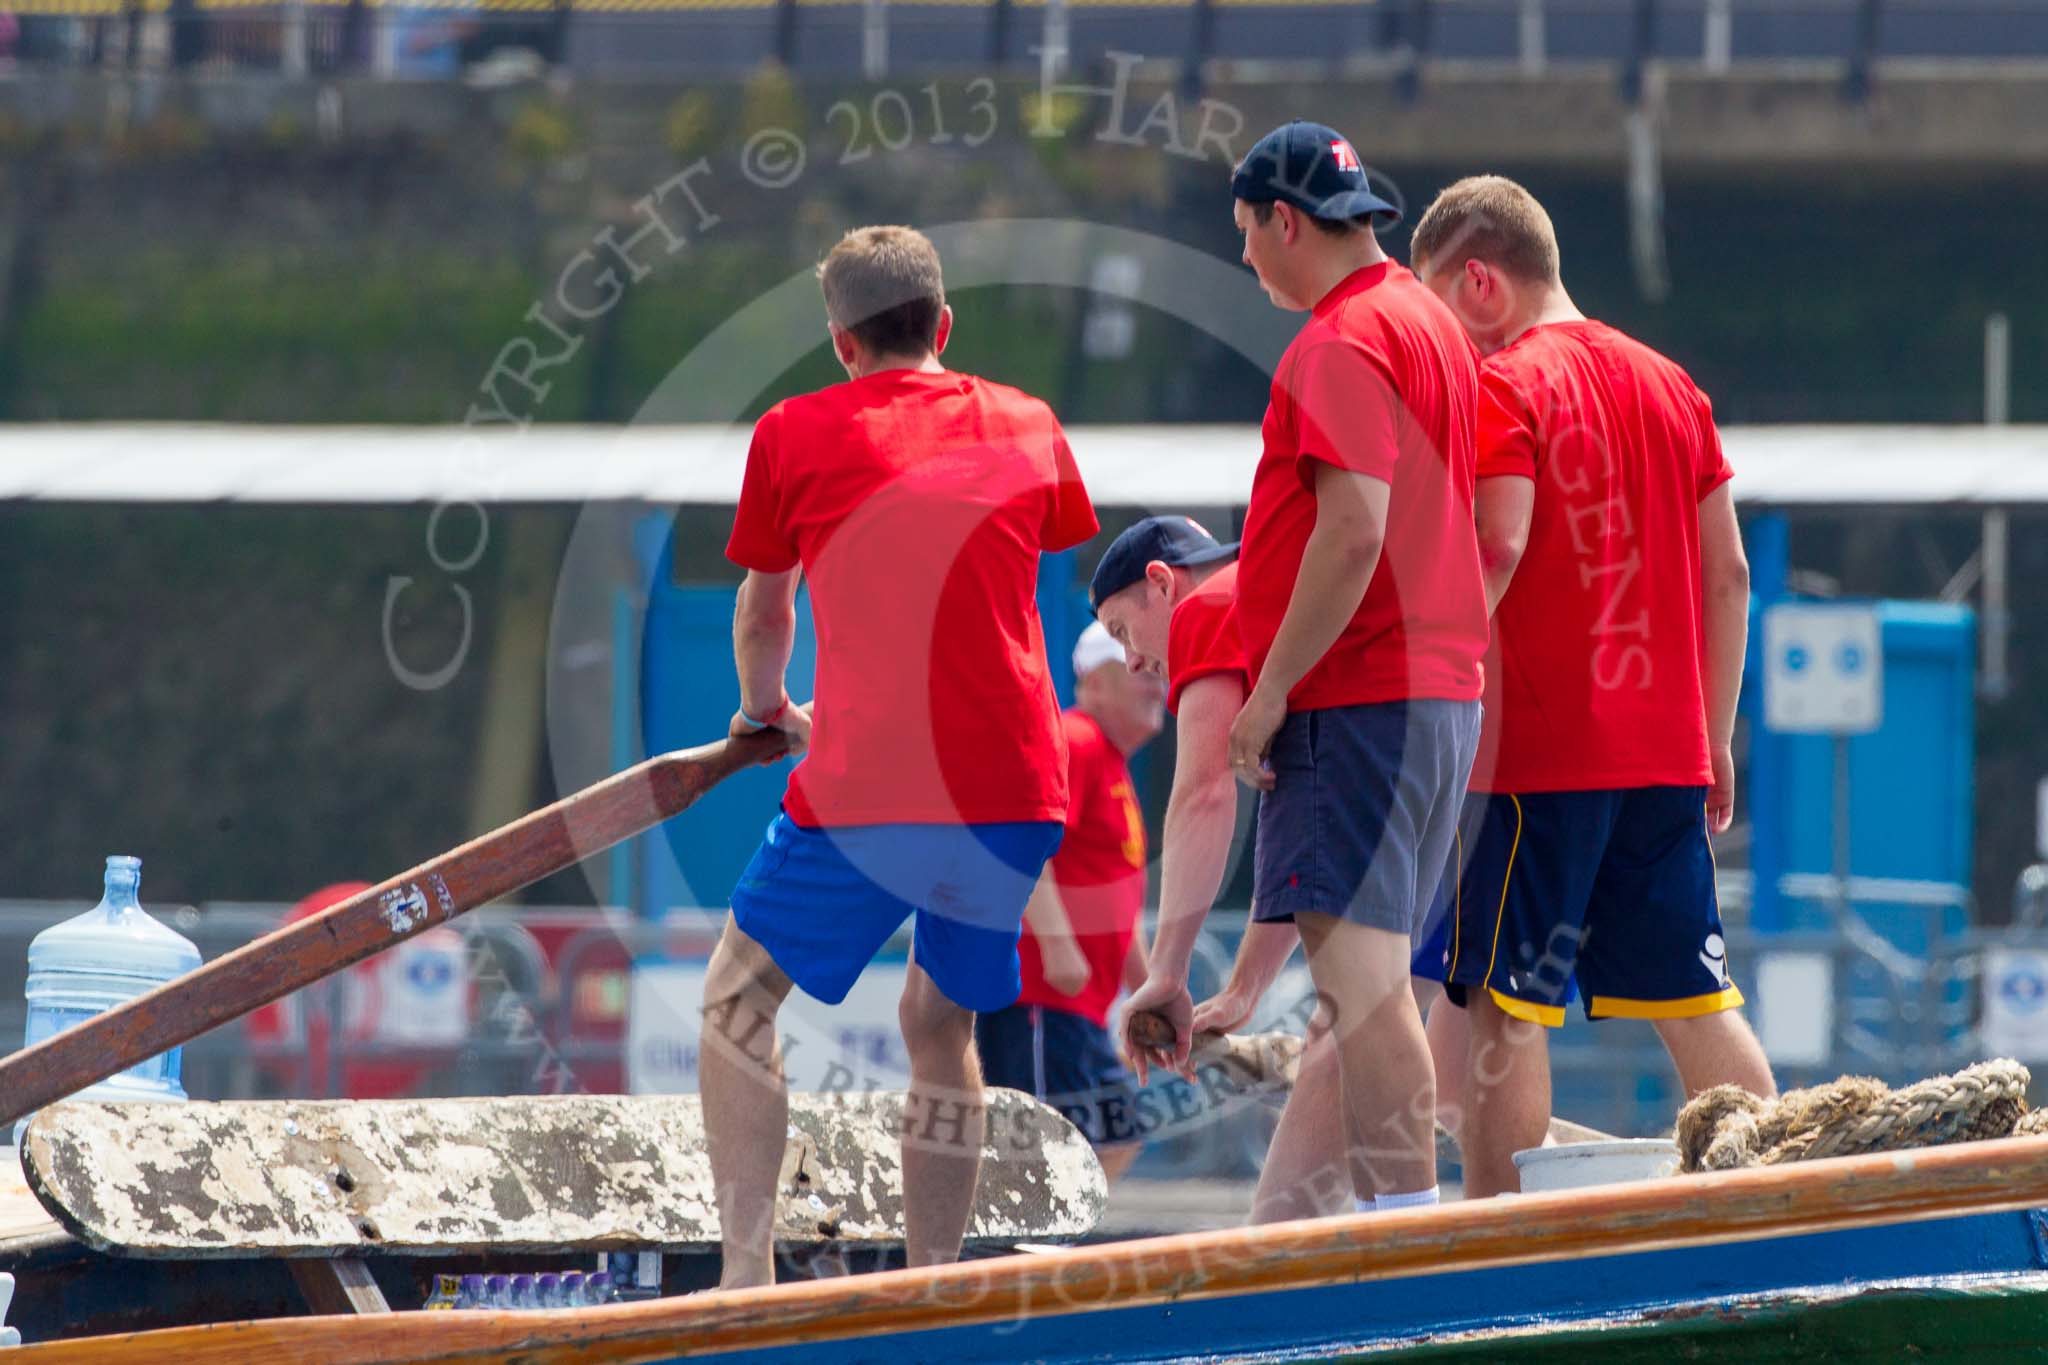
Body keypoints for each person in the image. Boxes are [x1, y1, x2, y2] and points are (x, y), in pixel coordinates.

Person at [703, 224, 1098, 1287]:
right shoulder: (1026, 421)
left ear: (840, 342)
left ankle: (745, 1275)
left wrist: (765, 712)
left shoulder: (794, 432)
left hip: (874, 780)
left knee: (736, 1003)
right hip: (1014, 784)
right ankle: (929, 1282)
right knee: (938, 1017)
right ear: (943, 324)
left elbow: (762, 610)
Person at [1128, 122, 1490, 1216]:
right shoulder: (1428, 322)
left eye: (1244, 233)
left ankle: (1405, 1250)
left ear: (1287, 221)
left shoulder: (1338, 342)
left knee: (1365, 995)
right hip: (1432, 697)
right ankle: (1368, 1230)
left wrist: (1271, 688)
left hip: (1357, 699)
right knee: (1362, 994)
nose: (1242, 258)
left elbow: (1350, 533)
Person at [1408, 176, 1776, 1198]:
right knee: (1689, 1000)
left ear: (1478, 280)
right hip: (1662, 757)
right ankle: (1778, 1207)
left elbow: (1494, 547)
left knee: (1500, 1003)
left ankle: (1492, 1246)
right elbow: (1730, 574)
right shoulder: (1671, 384)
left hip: (1532, 763)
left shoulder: (1501, 387)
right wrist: (1713, 734)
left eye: (1436, 306)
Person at [975, 622, 1166, 1181]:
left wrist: (1150, 991)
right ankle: (1027, 1257)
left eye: (1159, 671)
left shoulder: (1110, 763)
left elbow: (1117, 903)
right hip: (1040, 1001)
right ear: (1094, 683)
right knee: (1036, 1153)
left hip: (1073, 1009)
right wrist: (1058, 948)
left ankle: (1053, 1249)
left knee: (1116, 1135)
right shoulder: (1077, 741)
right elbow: (1024, 841)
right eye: (1141, 672)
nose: (1158, 686)